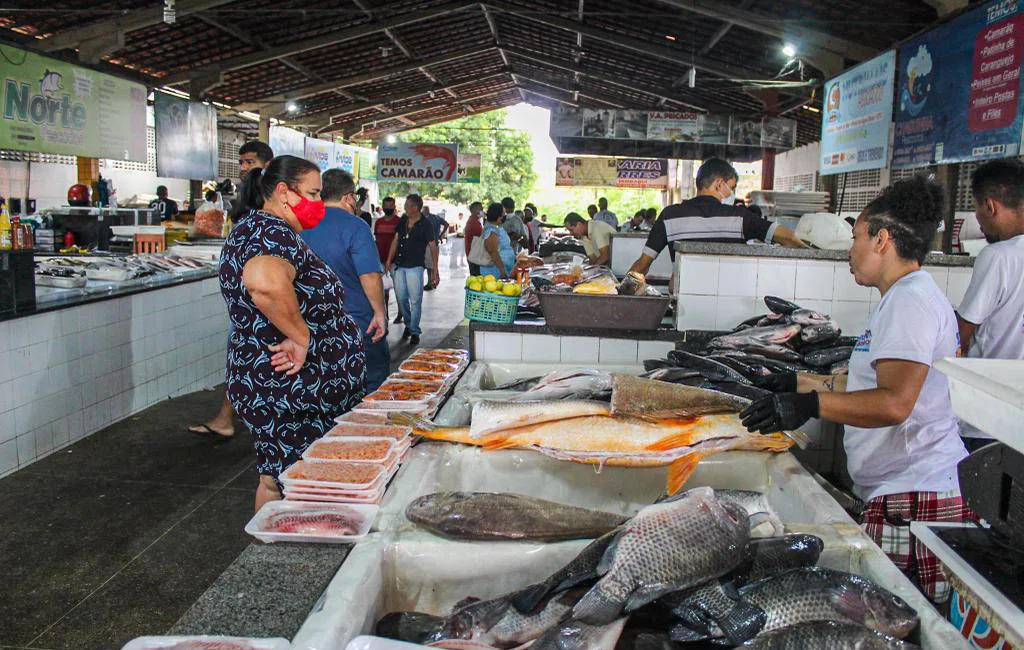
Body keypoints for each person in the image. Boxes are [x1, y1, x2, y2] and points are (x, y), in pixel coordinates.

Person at [740, 177, 973, 604]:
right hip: (902, 492)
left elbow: (895, 403)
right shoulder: (901, 297)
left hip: (913, 499)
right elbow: (871, 385)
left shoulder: (910, 301)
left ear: (882, 239)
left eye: (856, 237)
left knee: (894, 621)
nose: (851, 250)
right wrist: (797, 382)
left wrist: (810, 405)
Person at [220, 155, 366, 510]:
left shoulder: (263, 229)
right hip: (289, 387)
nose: (319, 204)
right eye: (314, 194)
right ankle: (276, 556)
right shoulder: (268, 231)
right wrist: (302, 337)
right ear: (284, 192)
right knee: (287, 481)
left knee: (283, 478)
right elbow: (264, 284)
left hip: (297, 387)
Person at [189, 140, 274, 441]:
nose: (243, 168)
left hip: (255, 303)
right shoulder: (253, 216)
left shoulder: (263, 216)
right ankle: (234, 418)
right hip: (251, 302)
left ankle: (236, 419)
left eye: (248, 162)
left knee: (245, 359)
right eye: (241, 163)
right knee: (244, 359)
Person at [629, 158, 804, 276]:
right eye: (732, 187)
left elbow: (642, 265)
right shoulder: (741, 217)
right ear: (720, 184)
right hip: (730, 305)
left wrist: (617, 293)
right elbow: (790, 238)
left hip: (683, 303)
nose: (732, 193)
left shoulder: (670, 215)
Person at [956, 160, 1024, 451]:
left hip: (987, 418)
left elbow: (962, 334)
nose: (980, 223)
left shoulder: (998, 256)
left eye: (977, 210)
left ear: (990, 205)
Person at [301, 169, 389, 393]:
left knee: (323, 387)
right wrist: (380, 313)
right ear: (349, 197)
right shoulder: (356, 226)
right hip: (356, 322)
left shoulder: (302, 225)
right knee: (372, 384)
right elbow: (369, 275)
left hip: (310, 322)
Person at [386, 194, 439, 345]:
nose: (405, 208)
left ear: (415, 207)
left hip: (415, 266)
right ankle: (408, 324)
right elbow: (396, 240)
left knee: (415, 300)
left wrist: (435, 269)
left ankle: (414, 330)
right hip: (399, 265)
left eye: (407, 205)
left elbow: (433, 246)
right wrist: (389, 260)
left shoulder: (425, 224)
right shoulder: (403, 221)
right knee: (401, 298)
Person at [374, 196, 401, 323]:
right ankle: (385, 313)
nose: (388, 208)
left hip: (395, 261)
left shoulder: (399, 222)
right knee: (382, 289)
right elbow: (376, 240)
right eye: (386, 206)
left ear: (394, 207)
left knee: (398, 288)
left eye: (390, 206)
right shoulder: (378, 222)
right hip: (380, 259)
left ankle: (401, 312)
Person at [480, 202, 516, 279]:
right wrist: (502, 272)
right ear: (498, 215)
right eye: (503, 213)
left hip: (499, 270)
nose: (505, 215)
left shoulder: (495, 228)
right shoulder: (491, 231)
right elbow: (493, 252)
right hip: (494, 272)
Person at [464, 201, 484, 275]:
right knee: (476, 278)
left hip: (472, 254)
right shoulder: (473, 223)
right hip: (474, 255)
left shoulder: (474, 221)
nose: (482, 211)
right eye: (480, 209)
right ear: (474, 210)